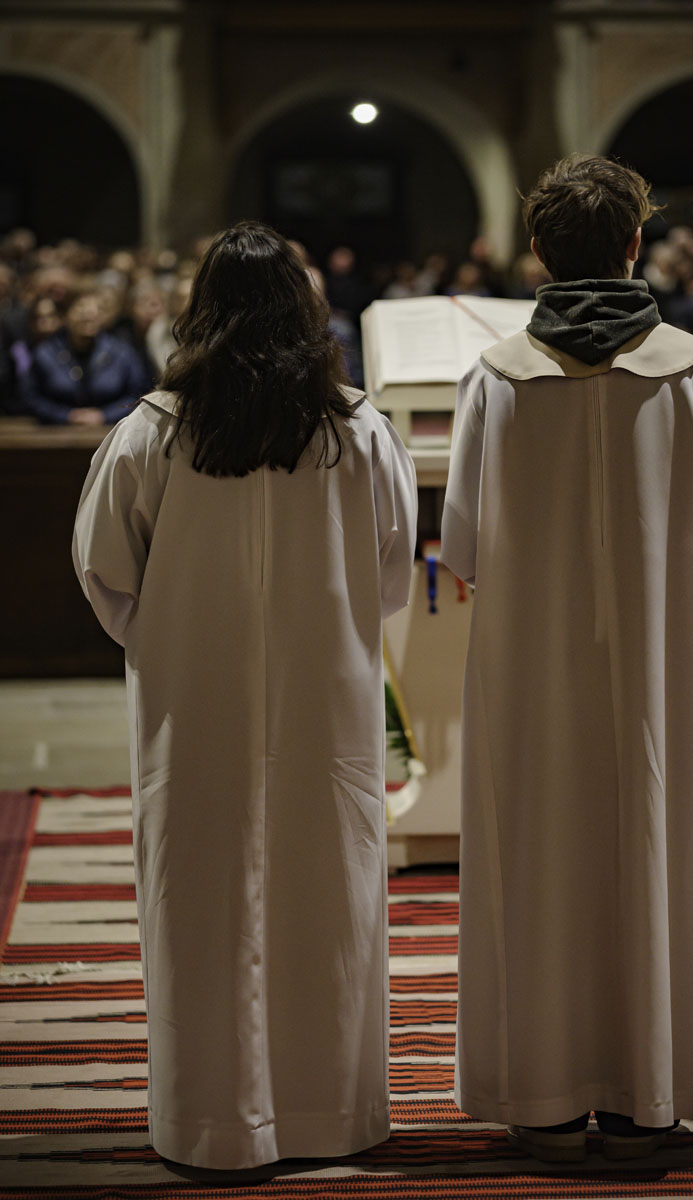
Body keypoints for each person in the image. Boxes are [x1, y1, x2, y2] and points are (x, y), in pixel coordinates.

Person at [72, 222, 417, 1171]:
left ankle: (212, 1120)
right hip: (324, 700)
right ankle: (327, 1113)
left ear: (202, 309)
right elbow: (390, 572)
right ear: (305, 311)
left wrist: (174, 638)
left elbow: (106, 574)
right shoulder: (356, 430)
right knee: (325, 891)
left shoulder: (154, 431)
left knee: (202, 897)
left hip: (196, 705)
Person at [442, 155, 693, 1163]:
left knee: (539, 853)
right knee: (658, 846)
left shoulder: (494, 379)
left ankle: (541, 1094)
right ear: (633, 243)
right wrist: (652, 587)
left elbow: (465, 545)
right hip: (662, 672)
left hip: (531, 671)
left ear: (538, 250)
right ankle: (645, 1095)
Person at [21, 289, 149, 425]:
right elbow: (31, 397)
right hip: (55, 430)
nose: (88, 315)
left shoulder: (122, 352)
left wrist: (105, 415)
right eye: (80, 308)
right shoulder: (45, 353)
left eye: (96, 310)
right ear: (65, 316)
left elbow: (137, 395)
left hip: (112, 428)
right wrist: (66, 416)